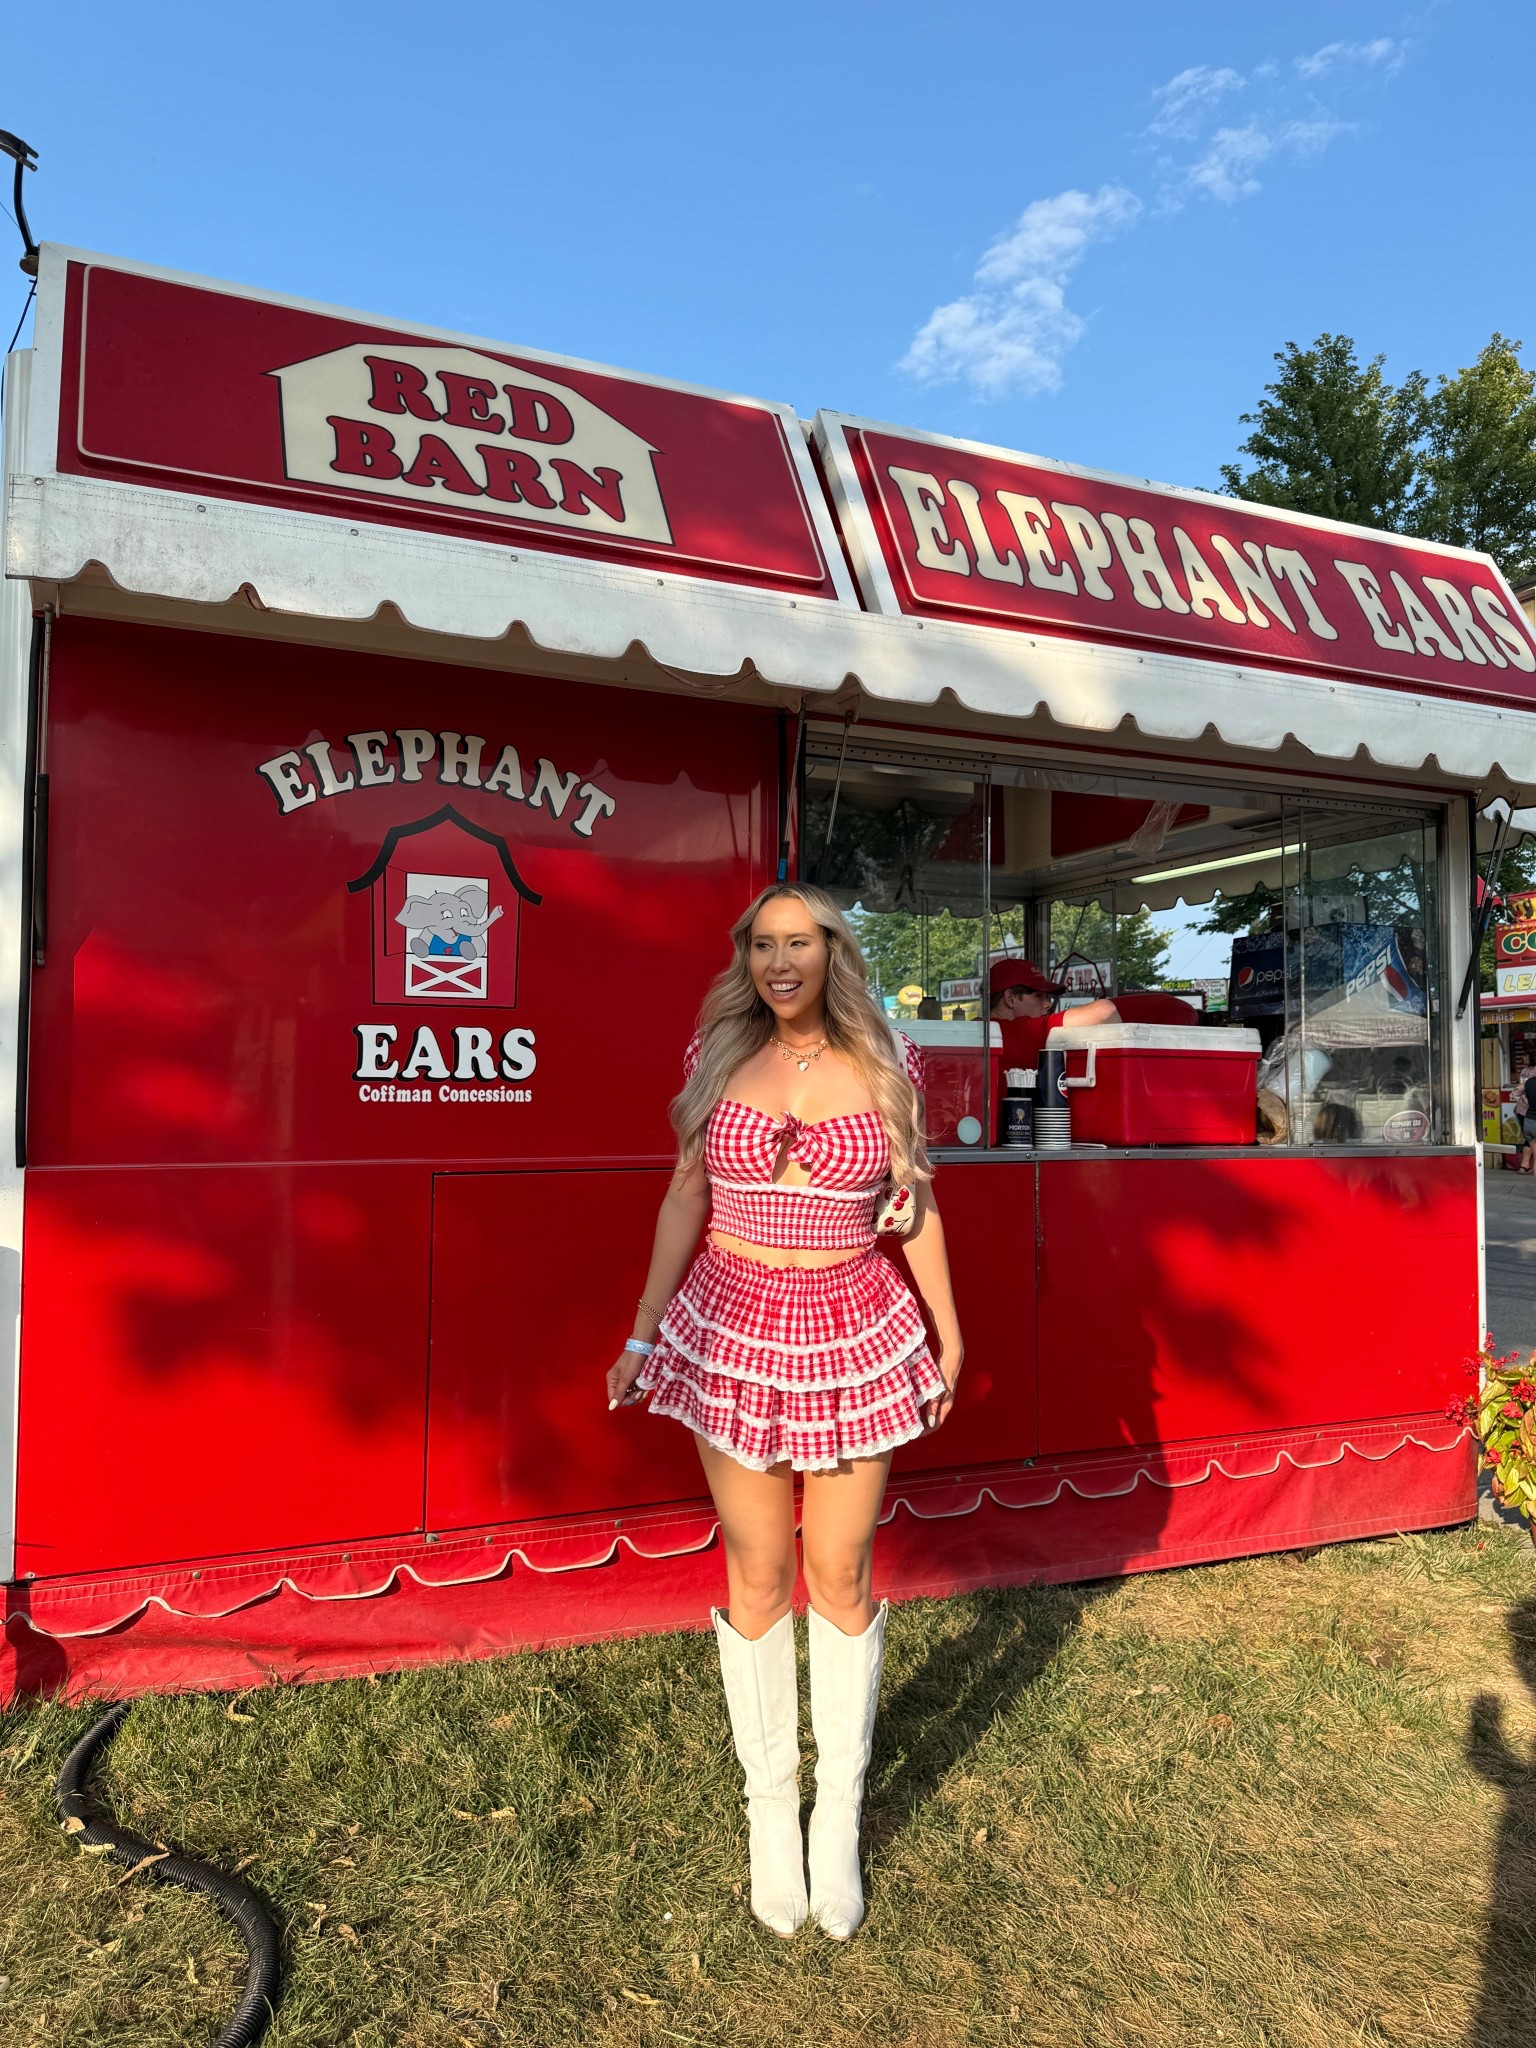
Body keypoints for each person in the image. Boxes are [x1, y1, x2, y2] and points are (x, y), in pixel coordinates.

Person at [605, 883, 963, 1941]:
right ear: (746, 958)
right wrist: (639, 1331)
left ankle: (837, 1814)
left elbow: (919, 1202)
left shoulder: (888, 1066)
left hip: (853, 1317)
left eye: (798, 941)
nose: (779, 960)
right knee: (757, 1568)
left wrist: (947, 1329)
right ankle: (772, 1808)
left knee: (840, 1568)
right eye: (763, 943)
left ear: (833, 950)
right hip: (732, 1320)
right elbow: (683, 1193)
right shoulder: (715, 1055)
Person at [988, 958, 1119, 1073]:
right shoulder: (1016, 1032)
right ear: (1010, 998)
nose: (1048, 1004)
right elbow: (1105, 1011)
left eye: (1048, 997)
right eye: (1038, 996)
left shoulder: (981, 1031)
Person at [1515, 1064, 1536, 1174]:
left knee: (1529, 1141)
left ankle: (1524, 1165)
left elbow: (1515, 1092)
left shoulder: (1527, 1076)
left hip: (1527, 1116)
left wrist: (1524, 1105)